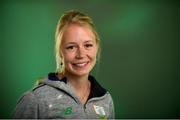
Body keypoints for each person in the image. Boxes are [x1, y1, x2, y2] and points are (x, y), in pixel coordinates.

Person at [13, 10, 115, 119]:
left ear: (97, 47)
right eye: (71, 47)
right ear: (60, 51)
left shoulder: (105, 99)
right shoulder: (35, 100)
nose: (81, 54)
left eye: (88, 45)